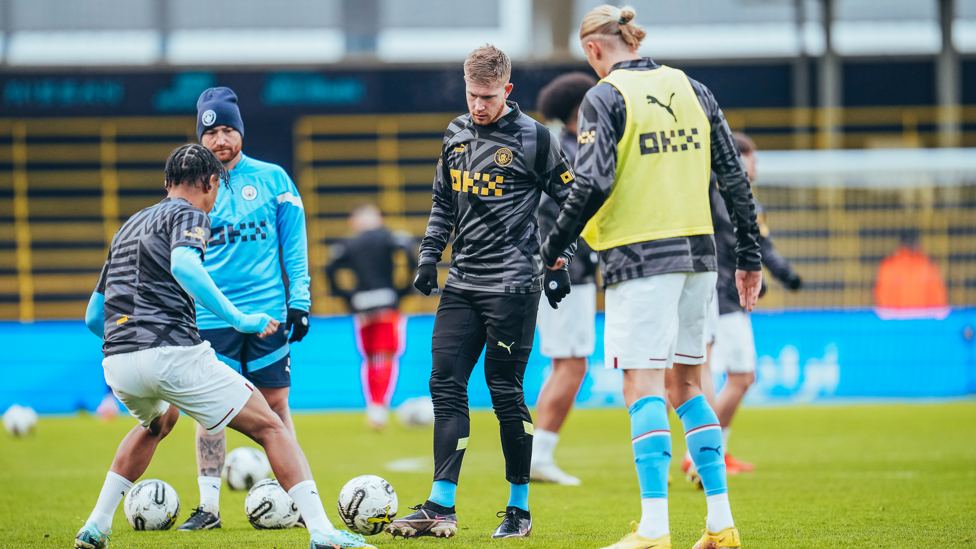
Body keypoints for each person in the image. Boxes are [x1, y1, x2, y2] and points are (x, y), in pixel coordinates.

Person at [75, 144, 373, 549]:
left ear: (166, 182)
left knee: (157, 424)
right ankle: (322, 532)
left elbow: (94, 315)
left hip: (119, 362)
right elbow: (184, 264)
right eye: (217, 188)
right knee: (271, 425)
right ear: (211, 181)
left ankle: (96, 525)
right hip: (173, 352)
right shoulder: (191, 214)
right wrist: (239, 318)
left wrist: (132, 344)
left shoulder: (130, 225)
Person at [541, 6, 762, 549]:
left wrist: (553, 248)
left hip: (639, 259)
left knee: (641, 385)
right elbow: (732, 173)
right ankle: (720, 524)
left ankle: (655, 530)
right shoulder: (692, 88)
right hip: (700, 257)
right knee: (687, 384)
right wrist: (750, 255)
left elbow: (592, 182)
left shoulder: (604, 95)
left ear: (593, 49)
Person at [385, 45, 576, 540]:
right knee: (444, 385)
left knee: (504, 391)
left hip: (514, 285)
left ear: (507, 91)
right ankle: (440, 506)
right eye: (472, 95)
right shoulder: (454, 133)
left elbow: (572, 200)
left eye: (487, 96)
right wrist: (429, 256)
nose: (478, 105)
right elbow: (442, 201)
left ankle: (519, 509)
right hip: (462, 282)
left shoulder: (536, 138)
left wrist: (558, 260)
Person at [178, 87, 311, 531]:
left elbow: (294, 246)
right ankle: (209, 509)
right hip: (211, 318)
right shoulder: (190, 189)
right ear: (200, 137)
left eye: (227, 129)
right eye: (210, 131)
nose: (220, 139)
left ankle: (291, 500)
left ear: (241, 131)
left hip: (268, 314)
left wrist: (300, 301)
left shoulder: (274, 179)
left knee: (274, 405)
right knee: (210, 410)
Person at [683, 132, 803, 484]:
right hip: (723, 294)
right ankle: (702, 453)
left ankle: (710, 451)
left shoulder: (734, 197)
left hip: (726, 293)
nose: (757, 164)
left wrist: (784, 275)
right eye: (752, 157)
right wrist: (766, 278)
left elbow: (758, 245)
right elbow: (739, 243)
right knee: (737, 375)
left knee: (734, 375)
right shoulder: (720, 194)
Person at [530, 72, 599, 486]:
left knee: (567, 362)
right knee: (572, 364)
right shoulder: (574, 152)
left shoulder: (561, 148)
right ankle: (540, 454)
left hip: (561, 268)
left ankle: (539, 453)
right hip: (564, 271)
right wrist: (569, 260)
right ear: (581, 108)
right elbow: (551, 213)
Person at [325, 204, 417, 429]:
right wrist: (403, 290)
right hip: (386, 301)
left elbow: (330, 269)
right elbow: (411, 257)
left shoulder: (348, 243)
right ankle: (378, 406)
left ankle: (374, 406)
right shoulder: (388, 237)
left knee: (370, 359)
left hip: (362, 304)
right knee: (385, 357)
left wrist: (346, 297)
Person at [874, 228, 949, 319]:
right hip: (924, 321)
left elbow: (882, 296)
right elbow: (939, 298)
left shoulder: (888, 265)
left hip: (895, 321)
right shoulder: (928, 264)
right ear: (918, 243)